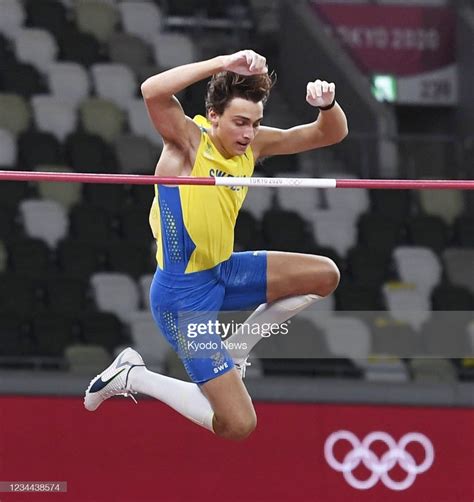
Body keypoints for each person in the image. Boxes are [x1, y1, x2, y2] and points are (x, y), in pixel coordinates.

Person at [84, 49, 347, 441]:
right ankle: (133, 375)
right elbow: (152, 91)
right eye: (240, 122)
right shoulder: (187, 143)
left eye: (255, 124)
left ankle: (237, 348)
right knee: (238, 425)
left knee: (325, 276)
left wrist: (328, 106)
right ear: (212, 118)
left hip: (223, 272)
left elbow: (329, 133)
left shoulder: (254, 145)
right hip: (183, 298)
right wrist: (221, 63)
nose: (248, 133)